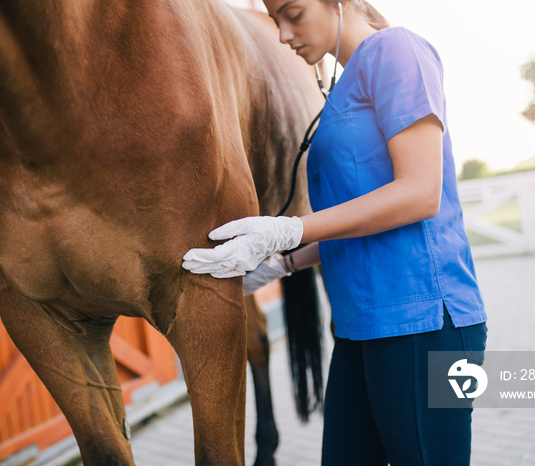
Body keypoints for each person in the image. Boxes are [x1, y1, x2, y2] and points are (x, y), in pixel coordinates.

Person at [183, 0, 488, 464]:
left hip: (423, 322)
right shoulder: (344, 83)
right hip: (357, 327)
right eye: (275, 21)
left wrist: (288, 230)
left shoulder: (397, 51)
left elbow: (421, 192)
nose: (283, 35)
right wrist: (282, 264)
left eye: (294, 14)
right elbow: (363, 219)